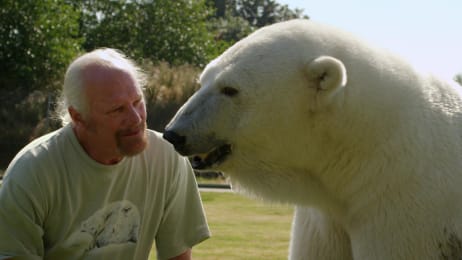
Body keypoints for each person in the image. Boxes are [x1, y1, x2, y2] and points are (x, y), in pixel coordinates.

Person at [0, 48, 210, 259]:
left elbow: (177, 256)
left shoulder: (166, 158)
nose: (136, 118)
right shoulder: (32, 172)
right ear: (78, 117)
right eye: (117, 110)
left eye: (137, 102)